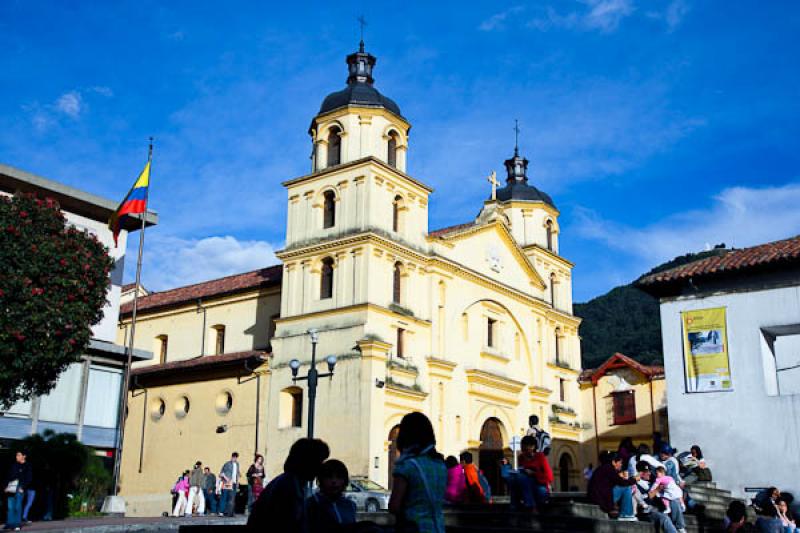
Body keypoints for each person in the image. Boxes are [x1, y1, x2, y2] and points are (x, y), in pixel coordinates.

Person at [247, 438, 330, 532]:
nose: (322, 466)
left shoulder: (290, 482)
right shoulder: (289, 486)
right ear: (308, 462)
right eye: (319, 461)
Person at [388, 412, 447, 533]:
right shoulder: (440, 465)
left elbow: (394, 506)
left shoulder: (407, 466)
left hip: (415, 527)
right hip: (438, 528)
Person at [307, 459, 357, 533]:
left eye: (339, 477)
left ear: (345, 481)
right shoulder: (310, 505)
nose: (334, 481)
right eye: (329, 477)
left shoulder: (350, 505)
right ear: (321, 480)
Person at [587, 452, 637, 520]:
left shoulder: (602, 468)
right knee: (626, 487)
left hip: (597, 498)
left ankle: (625, 512)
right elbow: (622, 482)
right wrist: (634, 479)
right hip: (601, 500)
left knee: (625, 486)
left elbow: (610, 482)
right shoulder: (609, 469)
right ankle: (626, 514)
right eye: (620, 462)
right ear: (614, 462)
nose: (621, 465)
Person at [517, 435, 552, 510]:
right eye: (522, 449)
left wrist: (534, 474)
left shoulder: (540, 457)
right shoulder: (521, 458)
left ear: (533, 447)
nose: (524, 452)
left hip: (540, 486)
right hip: (526, 486)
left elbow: (549, 477)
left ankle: (530, 507)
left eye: (526, 449)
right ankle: (515, 506)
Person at [650, 466, 686, 533]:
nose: (656, 475)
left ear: (663, 473)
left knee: (674, 500)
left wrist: (682, 503)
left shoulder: (661, 479)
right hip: (655, 506)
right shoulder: (665, 479)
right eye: (655, 473)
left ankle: (680, 526)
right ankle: (678, 526)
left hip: (669, 498)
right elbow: (651, 495)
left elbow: (676, 491)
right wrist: (658, 489)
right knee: (665, 516)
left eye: (657, 473)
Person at [4, 450, 32, 531]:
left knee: (17, 506)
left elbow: (29, 478)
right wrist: (6, 486)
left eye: (19, 455)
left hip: (20, 487)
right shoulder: (14, 465)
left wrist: (23, 487)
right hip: (11, 487)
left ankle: (17, 524)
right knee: (10, 507)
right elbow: (9, 476)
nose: (17, 457)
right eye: (16, 455)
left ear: (24, 456)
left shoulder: (27, 466)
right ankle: (9, 524)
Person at [219, 452, 240, 517]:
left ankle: (229, 512)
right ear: (231, 457)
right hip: (227, 483)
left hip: (234, 483)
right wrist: (226, 478)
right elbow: (221, 473)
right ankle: (221, 512)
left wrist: (237, 482)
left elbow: (237, 473)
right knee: (224, 497)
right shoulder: (227, 464)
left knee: (232, 498)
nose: (234, 458)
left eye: (236, 457)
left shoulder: (237, 464)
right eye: (233, 457)